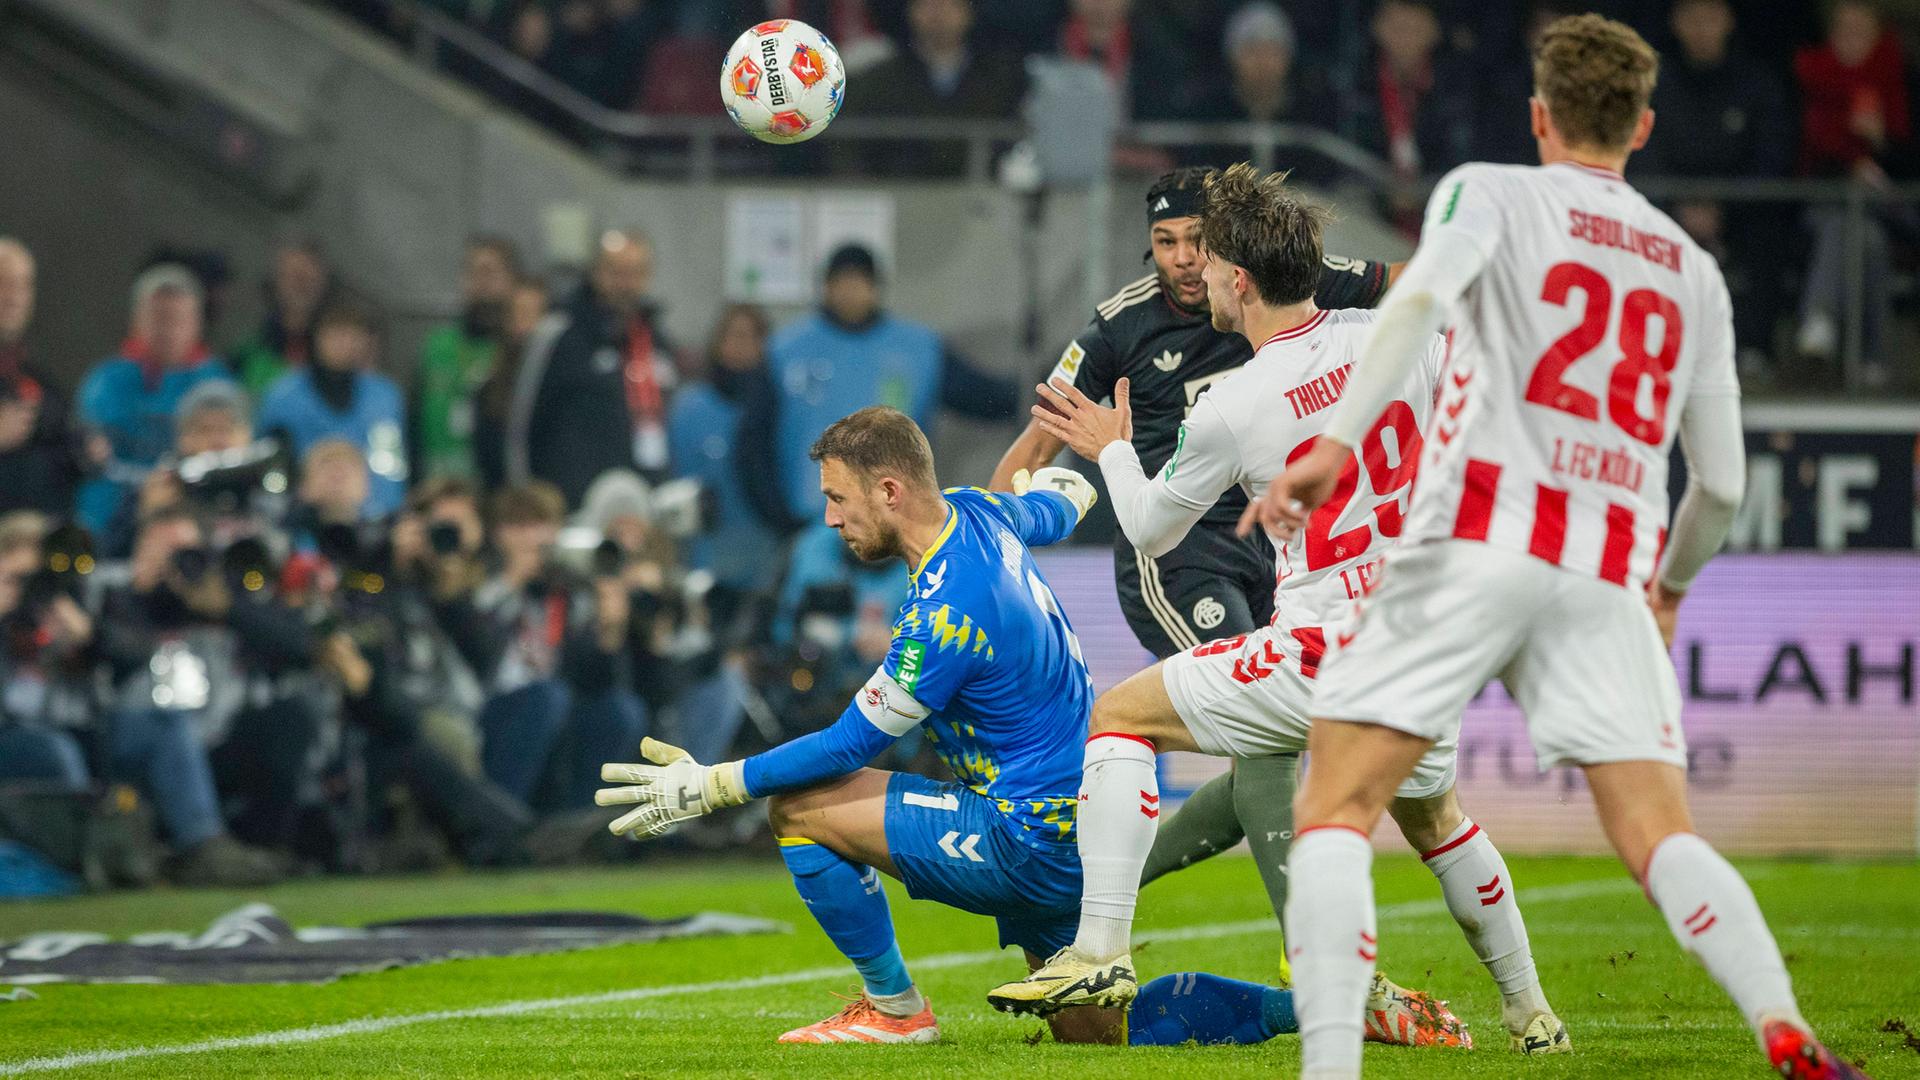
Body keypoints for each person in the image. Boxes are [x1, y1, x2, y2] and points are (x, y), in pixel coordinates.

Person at [1251, 15, 1867, 1079]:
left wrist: (1334, 444)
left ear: (1538, 115)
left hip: (1474, 537)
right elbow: (1721, 484)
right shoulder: (1692, 267)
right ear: (1644, 126)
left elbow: (1423, 299)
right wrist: (1671, 585)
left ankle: (1332, 1068)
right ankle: (1784, 1028)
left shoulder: (1487, 189)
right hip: (1606, 569)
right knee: (1658, 835)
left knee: (1336, 804)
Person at [990, 164, 1554, 1057]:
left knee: (1120, 718)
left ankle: (1098, 948)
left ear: (1239, 281)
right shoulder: (1397, 338)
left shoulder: (1234, 403)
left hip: (1326, 643)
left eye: (1211, 263)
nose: (1199, 275)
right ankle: (1533, 1017)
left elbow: (1147, 526)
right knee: (1436, 820)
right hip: (1429, 640)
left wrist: (1109, 448)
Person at [595, 406, 1109, 1045]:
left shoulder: (947, 616)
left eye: (838, 498)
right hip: (1084, 826)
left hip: (1023, 839)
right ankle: (1277, 1007)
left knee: (800, 807)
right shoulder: (982, 512)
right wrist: (1072, 478)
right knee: (1096, 1040)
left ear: (890, 492)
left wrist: (711, 785)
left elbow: (848, 745)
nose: (831, 518)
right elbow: (1052, 506)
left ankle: (896, 1010)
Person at [990, 166, 1396, 961]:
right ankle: (1309, 945)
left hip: (1271, 543)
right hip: (1173, 556)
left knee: (1271, 748)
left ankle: (1087, 889)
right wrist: (982, 536)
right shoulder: (1118, 327)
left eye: (1197, 243)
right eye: (1165, 243)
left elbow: (1416, 285)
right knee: (1265, 744)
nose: (1182, 258)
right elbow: (1042, 436)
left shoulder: (1285, 282)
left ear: (1229, 256)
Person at [771, 243, 1016, 524]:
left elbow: (981, 397)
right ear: (826, 288)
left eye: (859, 282)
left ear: (876, 288)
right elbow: (756, 438)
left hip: (898, 517)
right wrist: (779, 518)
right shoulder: (788, 350)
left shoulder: (917, 349)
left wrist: (1041, 391)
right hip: (814, 520)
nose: (850, 292)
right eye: (842, 282)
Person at [1641, 0, 1795, 373]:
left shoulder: (1757, 82)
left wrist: (1725, 208)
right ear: (1675, 22)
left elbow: (1772, 157)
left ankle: (1754, 350)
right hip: (1668, 209)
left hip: (1741, 210)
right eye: (1691, 17)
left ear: (1728, 21)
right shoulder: (1652, 83)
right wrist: (1678, 204)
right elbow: (1641, 150)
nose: (1701, 28)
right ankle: (1649, 350)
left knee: (1768, 233)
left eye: (1710, 18)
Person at [507, 230, 679, 505]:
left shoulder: (656, 342)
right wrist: (527, 500)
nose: (626, 283)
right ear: (596, 272)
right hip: (574, 501)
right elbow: (520, 424)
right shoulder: (559, 333)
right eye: (616, 272)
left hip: (638, 506)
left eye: (636, 272)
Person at [1791, 0, 1913, 384]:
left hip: (1893, 207)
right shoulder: (1807, 78)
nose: (1852, 40)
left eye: (1861, 31)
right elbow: (1795, 154)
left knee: (1861, 222)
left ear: (1879, 35)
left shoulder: (1900, 83)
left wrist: (1884, 146)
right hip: (1824, 204)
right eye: (1844, 30)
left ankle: (1820, 320)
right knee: (1861, 234)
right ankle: (1871, 359)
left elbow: (1911, 161)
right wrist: (1847, 167)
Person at [74, 265, 233, 535]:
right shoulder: (105, 381)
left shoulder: (217, 386)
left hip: (189, 523)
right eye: (159, 318)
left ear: (197, 323)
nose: (168, 330)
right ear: (136, 321)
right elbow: (88, 449)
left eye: (178, 319)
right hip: (108, 522)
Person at [257, 294, 409, 519]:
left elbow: (390, 470)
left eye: (353, 334)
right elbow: (272, 476)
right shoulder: (283, 397)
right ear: (315, 336)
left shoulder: (385, 397)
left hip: (370, 520)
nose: (345, 342)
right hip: (300, 520)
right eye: (336, 332)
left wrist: (381, 518)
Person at [847, 0, 1027, 176]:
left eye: (950, 3)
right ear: (910, 11)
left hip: (980, 192)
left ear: (969, 12)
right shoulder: (878, 80)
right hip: (901, 192)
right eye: (927, 3)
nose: (938, 12)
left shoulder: (1001, 78)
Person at [418, 237, 520, 481]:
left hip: (496, 481)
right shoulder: (438, 345)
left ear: (512, 280)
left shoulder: (517, 348)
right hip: (440, 481)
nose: (480, 282)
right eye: (472, 272)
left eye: (490, 272)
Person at [0, 239, 90, 517]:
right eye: (3, 282)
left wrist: (87, 452)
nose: (13, 297)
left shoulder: (38, 379)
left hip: (39, 542)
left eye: (23, 285)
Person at [231, 240, 332, 398]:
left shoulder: (336, 351)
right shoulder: (249, 349)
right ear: (276, 281)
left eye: (309, 279)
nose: (301, 286)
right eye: (294, 277)